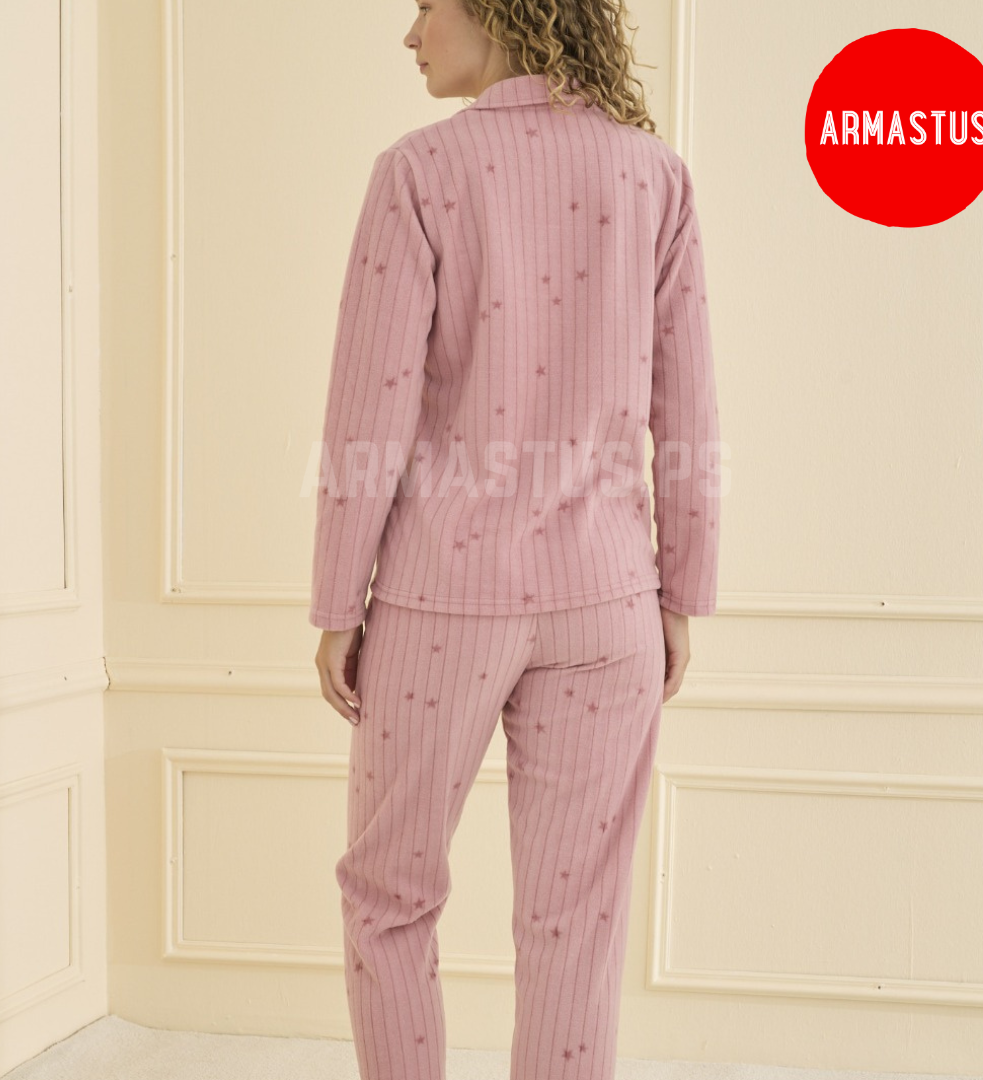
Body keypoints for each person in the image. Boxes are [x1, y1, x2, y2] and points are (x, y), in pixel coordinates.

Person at [311, 1, 720, 1077]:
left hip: (441, 600)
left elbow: (367, 415)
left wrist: (338, 604)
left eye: (424, 4)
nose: (409, 33)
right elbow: (689, 408)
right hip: (608, 602)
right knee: (575, 925)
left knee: (389, 898)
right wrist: (680, 594)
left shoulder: (419, 173)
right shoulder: (655, 176)